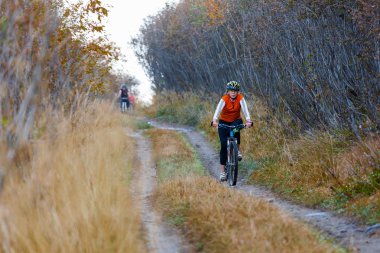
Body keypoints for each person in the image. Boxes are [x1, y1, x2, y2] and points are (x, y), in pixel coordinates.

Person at [212, 81, 253, 181]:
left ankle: (237, 150)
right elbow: (218, 110)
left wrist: (248, 120)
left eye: (235, 91)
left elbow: (245, 109)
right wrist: (214, 120)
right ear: (228, 91)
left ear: (238, 92)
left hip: (235, 120)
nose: (233, 93)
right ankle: (222, 172)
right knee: (223, 145)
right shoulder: (224, 99)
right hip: (223, 122)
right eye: (231, 91)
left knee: (236, 129)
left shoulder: (240, 98)